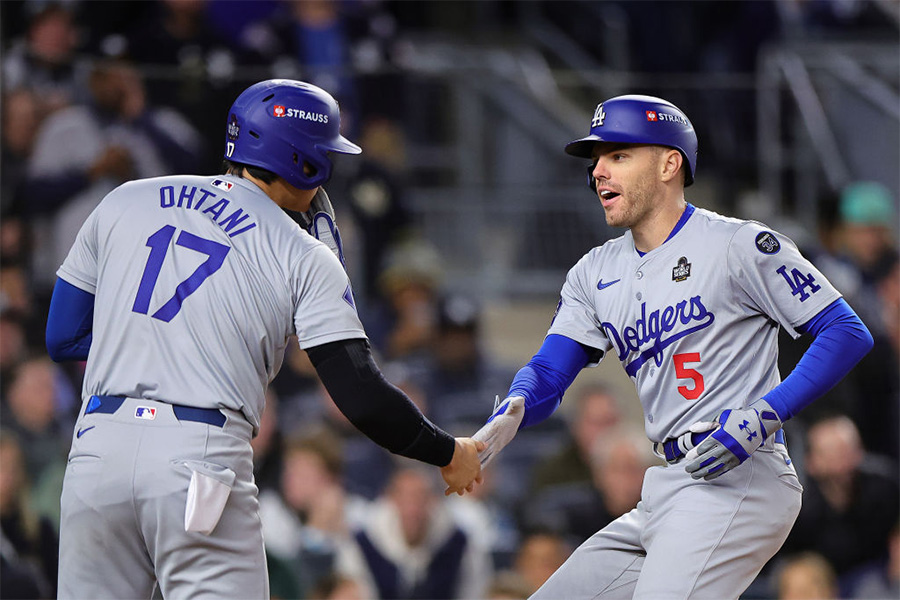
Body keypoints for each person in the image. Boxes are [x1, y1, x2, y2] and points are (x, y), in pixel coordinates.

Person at [45, 79, 483, 599]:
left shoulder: (126, 198)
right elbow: (361, 396)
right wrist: (447, 451)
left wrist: (155, 354)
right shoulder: (301, 252)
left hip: (98, 449)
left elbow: (63, 336)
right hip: (198, 456)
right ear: (304, 164)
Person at [470, 94, 874, 599]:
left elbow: (846, 331)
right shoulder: (594, 272)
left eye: (617, 155)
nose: (598, 171)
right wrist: (503, 422)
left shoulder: (738, 245)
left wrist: (766, 413)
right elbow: (550, 373)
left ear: (669, 162)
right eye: (595, 159)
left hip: (743, 475)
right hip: (669, 482)